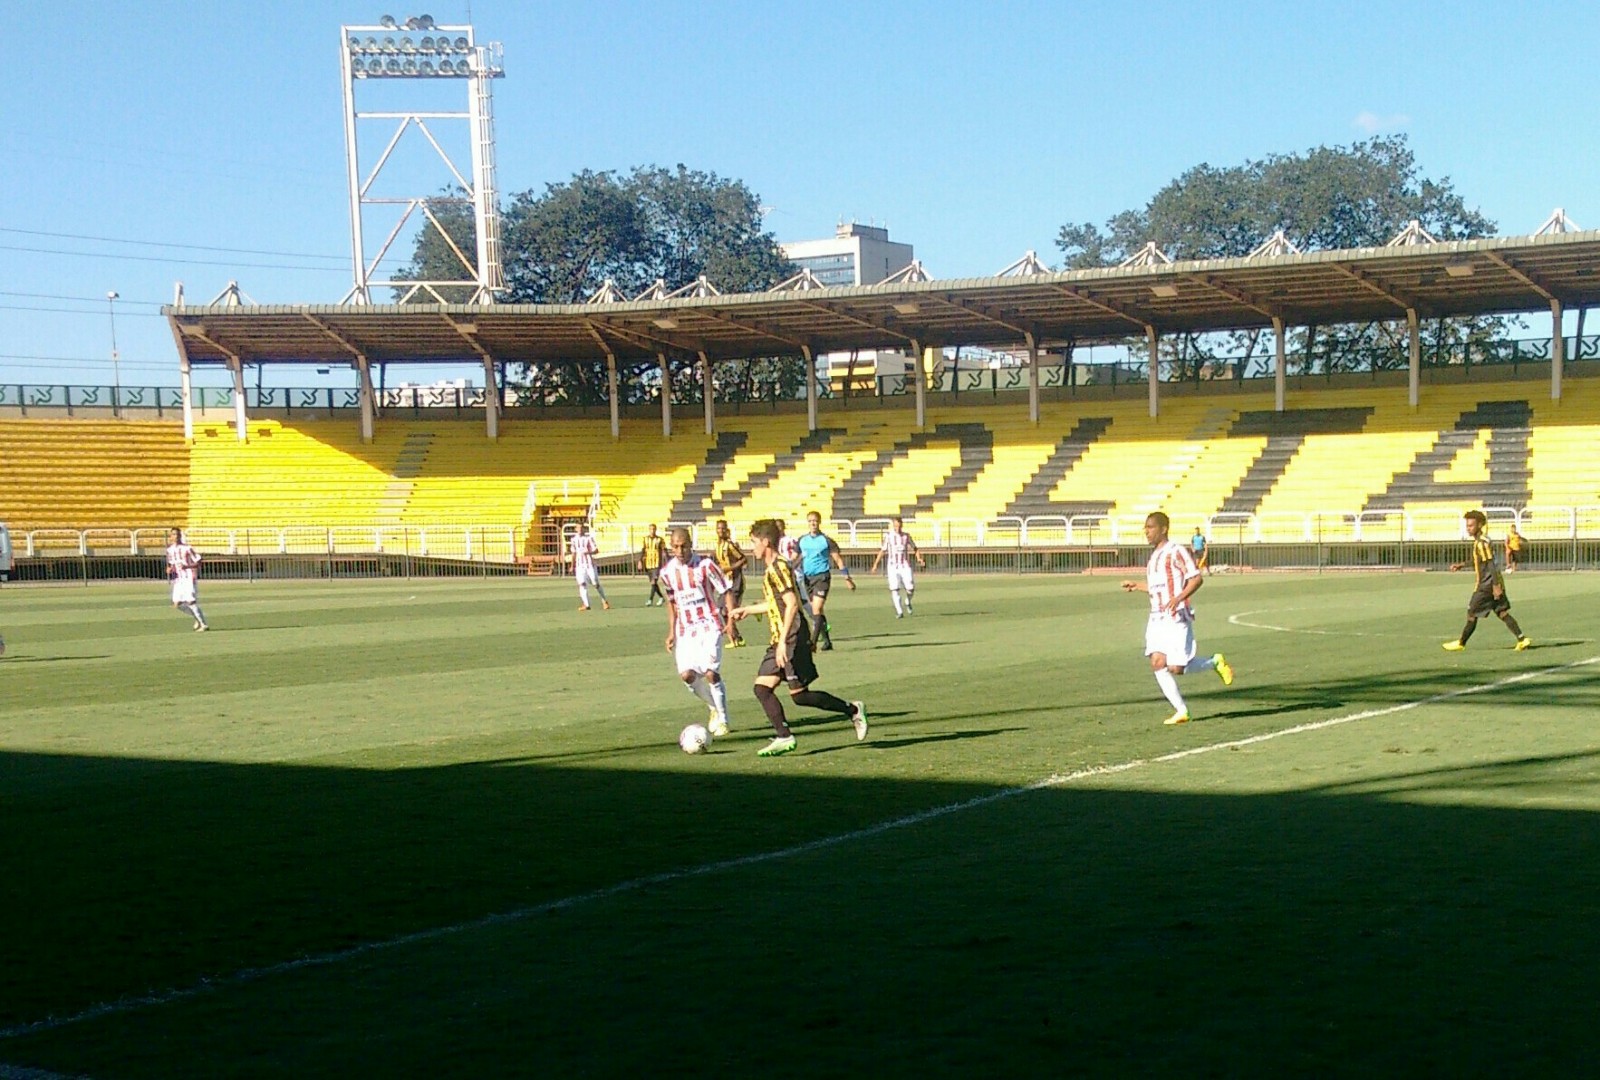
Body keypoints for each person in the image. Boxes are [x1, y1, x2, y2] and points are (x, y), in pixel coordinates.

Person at [731, 518, 867, 757]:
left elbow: (792, 604)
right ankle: (785, 736)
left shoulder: (779, 567)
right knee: (765, 689)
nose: (751, 548)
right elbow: (777, 603)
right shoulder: (773, 568)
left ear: (765, 542)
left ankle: (852, 710)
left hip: (791, 636)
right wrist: (748, 610)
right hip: (782, 637)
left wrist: (783, 642)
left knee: (798, 696)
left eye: (753, 542)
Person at [1121, 511, 1233, 725]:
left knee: (1176, 668)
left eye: (1151, 527)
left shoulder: (1176, 551)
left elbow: (1196, 578)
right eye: (1145, 527)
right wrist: (1137, 586)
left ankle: (1214, 662)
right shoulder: (1154, 557)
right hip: (1156, 617)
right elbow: (1158, 589)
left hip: (1176, 615)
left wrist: (1179, 597)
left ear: (1163, 529)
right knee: (1157, 662)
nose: (1147, 531)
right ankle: (1181, 710)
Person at [661, 527, 733, 738]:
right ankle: (713, 707)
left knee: (711, 673)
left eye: (683, 546)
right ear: (671, 547)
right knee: (687, 675)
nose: (680, 550)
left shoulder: (706, 565)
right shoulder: (667, 573)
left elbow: (725, 589)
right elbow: (672, 602)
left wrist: (731, 621)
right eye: (676, 546)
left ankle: (724, 719)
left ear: (691, 544)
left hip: (710, 626)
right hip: (685, 630)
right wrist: (671, 631)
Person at [1444, 510, 1529, 652]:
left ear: (1480, 525)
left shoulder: (1481, 543)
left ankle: (1461, 643)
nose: (1468, 528)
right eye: (1467, 525)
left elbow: (1490, 564)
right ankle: (1522, 639)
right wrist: (1461, 565)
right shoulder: (1482, 541)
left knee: (1472, 613)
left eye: (1471, 525)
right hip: (1494, 582)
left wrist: (1495, 586)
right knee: (1502, 612)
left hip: (1486, 585)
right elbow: (1479, 560)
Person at [796, 510, 856, 650]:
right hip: (808, 579)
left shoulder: (826, 540)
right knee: (819, 611)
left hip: (822, 577)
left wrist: (847, 578)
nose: (813, 524)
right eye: (810, 521)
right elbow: (795, 558)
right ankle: (827, 641)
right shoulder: (802, 540)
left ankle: (812, 643)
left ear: (819, 522)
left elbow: (838, 560)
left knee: (816, 608)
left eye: (815, 521)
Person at [869, 515, 926, 618]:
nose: (897, 528)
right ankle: (899, 612)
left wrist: (919, 558)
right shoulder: (888, 536)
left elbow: (915, 548)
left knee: (910, 588)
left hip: (904, 565)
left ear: (902, 526)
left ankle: (907, 601)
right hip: (892, 567)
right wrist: (875, 564)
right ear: (893, 526)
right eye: (895, 526)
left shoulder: (906, 536)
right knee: (895, 589)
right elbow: (882, 550)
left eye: (899, 526)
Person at [712, 518, 749, 647]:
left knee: (728, 611)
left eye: (723, 528)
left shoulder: (730, 545)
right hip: (725, 583)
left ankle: (735, 639)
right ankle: (737, 638)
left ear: (726, 530)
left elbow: (743, 559)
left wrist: (730, 568)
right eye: (719, 528)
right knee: (720, 610)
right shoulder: (717, 546)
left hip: (735, 582)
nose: (721, 531)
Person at [165, 527, 209, 632]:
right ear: (170, 537)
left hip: (188, 577)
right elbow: (171, 564)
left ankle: (203, 624)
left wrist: (188, 567)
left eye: (178, 534)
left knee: (190, 602)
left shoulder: (187, 548)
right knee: (177, 604)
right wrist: (169, 569)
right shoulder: (169, 550)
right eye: (174, 534)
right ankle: (197, 618)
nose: (176, 537)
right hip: (178, 579)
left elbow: (198, 561)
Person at [569, 521, 611, 611]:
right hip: (579, 565)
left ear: (584, 529)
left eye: (581, 528)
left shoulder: (588, 538)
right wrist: (572, 565)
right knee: (582, 584)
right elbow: (573, 553)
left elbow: (596, 550)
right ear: (576, 529)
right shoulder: (573, 540)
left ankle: (604, 601)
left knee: (595, 584)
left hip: (589, 564)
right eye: (578, 528)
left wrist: (588, 552)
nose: (580, 530)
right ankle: (586, 604)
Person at [637, 524, 668, 606]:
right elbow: (642, 550)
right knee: (653, 583)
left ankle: (650, 600)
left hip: (657, 563)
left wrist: (667, 561)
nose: (652, 531)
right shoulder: (645, 539)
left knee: (654, 581)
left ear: (656, 530)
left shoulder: (659, 540)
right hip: (648, 563)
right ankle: (661, 597)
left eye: (654, 529)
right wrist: (640, 561)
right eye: (651, 529)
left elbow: (665, 550)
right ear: (649, 530)